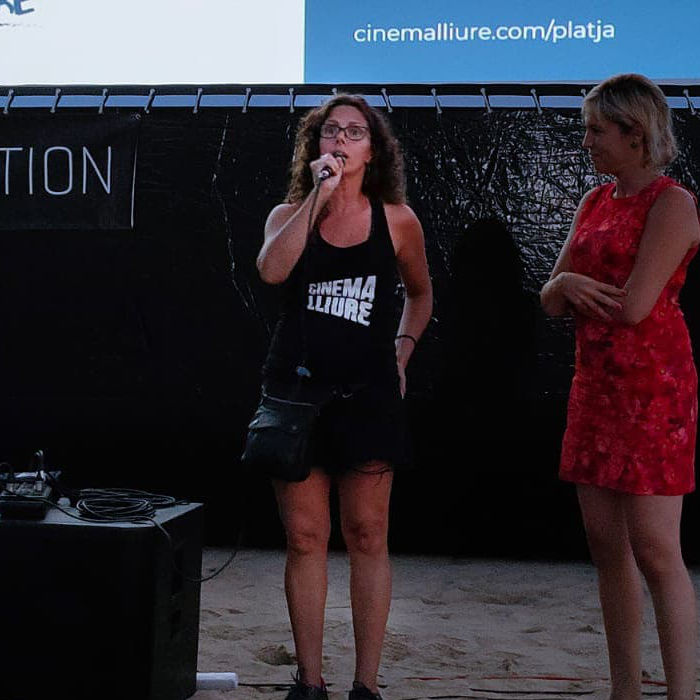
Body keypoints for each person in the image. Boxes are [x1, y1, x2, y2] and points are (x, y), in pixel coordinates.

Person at [256, 94, 432, 700]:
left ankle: (366, 684)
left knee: (366, 533)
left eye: (355, 132)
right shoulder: (289, 212)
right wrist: (317, 198)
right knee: (305, 537)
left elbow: (420, 292)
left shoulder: (398, 219)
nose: (341, 140)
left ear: (373, 150)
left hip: (367, 395)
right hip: (297, 394)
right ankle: (309, 680)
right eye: (331, 131)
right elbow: (272, 272)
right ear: (316, 146)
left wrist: (402, 352)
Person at [541, 73, 700, 700]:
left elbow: (634, 306)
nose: (586, 142)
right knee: (607, 547)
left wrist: (571, 288)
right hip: (597, 388)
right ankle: (624, 690)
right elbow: (551, 296)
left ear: (636, 135)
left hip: (653, 392)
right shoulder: (593, 201)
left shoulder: (674, 204)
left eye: (596, 131)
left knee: (658, 550)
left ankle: (682, 692)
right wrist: (568, 287)